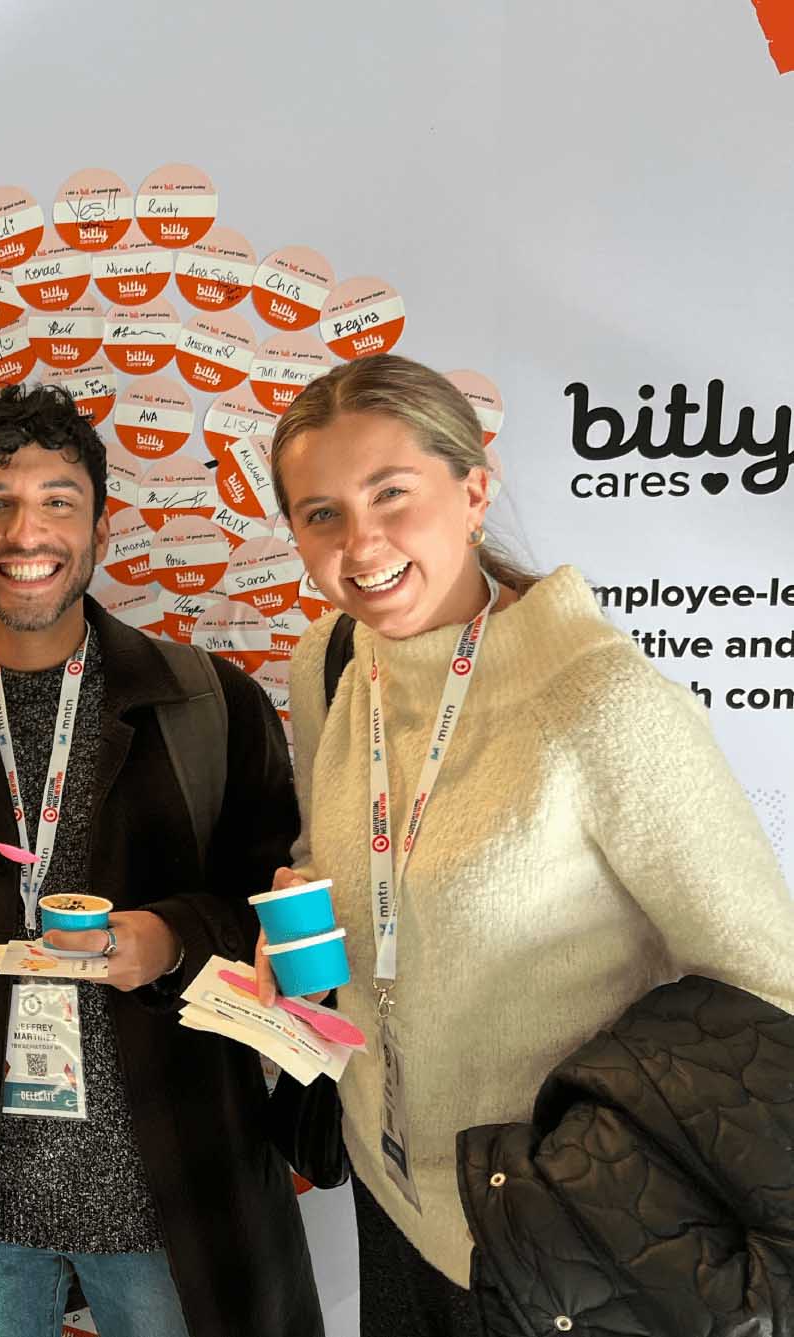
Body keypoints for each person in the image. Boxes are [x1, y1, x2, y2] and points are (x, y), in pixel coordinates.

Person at [255, 353, 794, 1337]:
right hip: (388, 1196)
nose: (358, 542)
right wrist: (302, 941)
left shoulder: (594, 701)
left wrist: (598, 1166)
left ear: (471, 490)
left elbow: (768, 987)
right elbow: (353, 863)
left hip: (558, 1241)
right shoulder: (329, 660)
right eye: (319, 512)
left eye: (389, 494)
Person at [0, 382, 324, 1337]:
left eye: (57, 499)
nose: (26, 531)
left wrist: (171, 939)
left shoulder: (208, 701)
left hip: (170, 1185)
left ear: (101, 527)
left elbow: (281, 922)